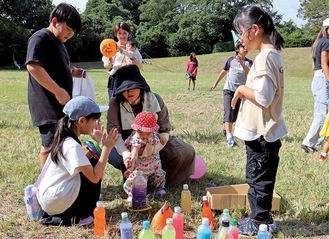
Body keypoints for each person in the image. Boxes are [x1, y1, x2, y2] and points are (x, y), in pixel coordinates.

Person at [231, 5, 288, 236]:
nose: (241, 40)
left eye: (241, 33)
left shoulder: (265, 58)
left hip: (261, 133)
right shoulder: (272, 55)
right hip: (265, 132)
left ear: (254, 30)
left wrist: (243, 88)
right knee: (261, 178)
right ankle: (263, 218)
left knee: (257, 179)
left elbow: (264, 97)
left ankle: (259, 222)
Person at [106, 64, 196, 185]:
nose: (129, 91)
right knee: (119, 158)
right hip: (127, 144)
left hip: (155, 141)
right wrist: (126, 153)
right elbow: (114, 133)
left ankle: (160, 180)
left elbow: (164, 129)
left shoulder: (155, 99)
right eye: (124, 89)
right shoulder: (115, 103)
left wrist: (151, 149)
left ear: (140, 85)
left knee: (185, 151)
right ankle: (132, 181)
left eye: (132, 86)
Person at [36, 96, 119, 226]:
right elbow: (95, 177)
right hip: (57, 203)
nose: (96, 123)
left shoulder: (66, 138)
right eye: (95, 119)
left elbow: (81, 162)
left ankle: (77, 211)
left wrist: (96, 143)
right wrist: (106, 148)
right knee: (93, 169)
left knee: (92, 164)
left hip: (50, 201)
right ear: (81, 121)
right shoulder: (72, 145)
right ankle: (82, 215)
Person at [25, 3, 84, 168]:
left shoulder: (59, 43)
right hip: (47, 103)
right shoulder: (40, 38)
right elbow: (33, 66)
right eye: (68, 30)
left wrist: (72, 72)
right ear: (55, 21)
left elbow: (55, 68)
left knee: (60, 141)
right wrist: (57, 90)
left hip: (60, 104)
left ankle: (56, 177)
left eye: (72, 33)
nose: (70, 35)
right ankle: (44, 185)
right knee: (49, 145)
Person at [210, 40, 253, 146]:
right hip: (229, 90)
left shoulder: (249, 62)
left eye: (246, 47)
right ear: (237, 49)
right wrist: (215, 83)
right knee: (228, 112)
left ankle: (226, 129)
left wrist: (241, 63)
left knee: (234, 116)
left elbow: (250, 73)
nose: (246, 48)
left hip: (240, 93)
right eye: (243, 47)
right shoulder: (230, 60)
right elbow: (224, 71)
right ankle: (229, 137)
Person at [123, 111, 167, 201]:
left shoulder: (153, 133)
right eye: (141, 133)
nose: (144, 136)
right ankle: (132, 194)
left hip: (154, 163)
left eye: (148, 133)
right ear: (136, 130)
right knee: (136, 179)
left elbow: (156, 133)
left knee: (158, 174)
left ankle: (159, 188)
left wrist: (160, 136)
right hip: (141, 165)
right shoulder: (136, 139)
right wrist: (130, 168)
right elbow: (134, 154)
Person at [301, 18, 329, 153]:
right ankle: (308, 143)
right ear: (327, 29)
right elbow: (324, 64)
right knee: (322, 114)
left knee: (323, 112)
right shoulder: (326, 42)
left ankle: (317, 143)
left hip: (318, 78)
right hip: (323, 79)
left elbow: (314, 66)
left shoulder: (319, 42)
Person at [102, 22, 143, 98]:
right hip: (116, 79)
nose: (122, 36)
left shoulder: (132, 47)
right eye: (119, 33)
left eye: (124, 33)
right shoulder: (110, 46)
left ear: (128, 33)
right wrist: (109, 62)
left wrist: (135, 63)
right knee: (115, 102)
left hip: (130, 78)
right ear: (116, 34)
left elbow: (140, 64)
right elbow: (106, 65)